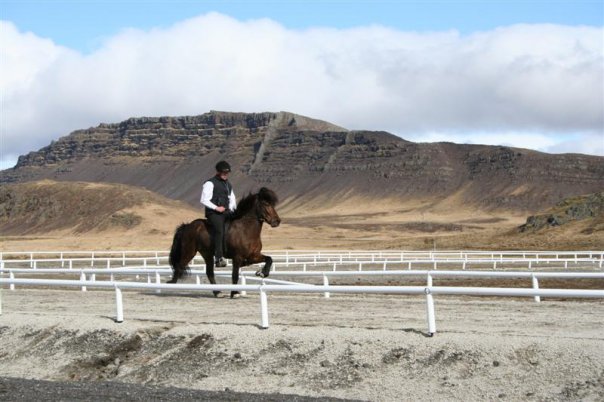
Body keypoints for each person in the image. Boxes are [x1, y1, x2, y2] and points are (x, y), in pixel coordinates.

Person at [200, 160, 237, 267]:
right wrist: (216, 208)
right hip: (213, 213)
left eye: (227, 173)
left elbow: (232, 199)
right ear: (218, 172)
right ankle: (219, 257)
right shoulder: (210, 183)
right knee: (220, 230)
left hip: (226, 212)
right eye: (223, 172)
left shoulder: (228, 185)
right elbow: (204, 200)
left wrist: (233, 210)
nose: (226, 174)